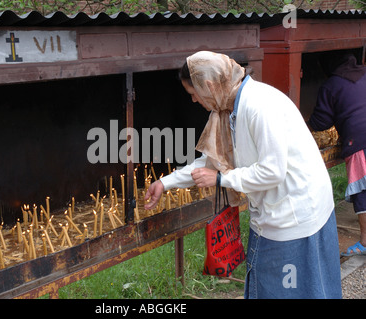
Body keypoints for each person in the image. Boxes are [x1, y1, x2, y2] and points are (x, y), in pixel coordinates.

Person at [144, 51, 342, 299]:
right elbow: (211, 161)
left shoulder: (259, 106)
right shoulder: (228, 110)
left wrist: (220, 179)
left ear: (209, 85)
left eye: (193, 94)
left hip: (295, 214)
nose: (194, 101)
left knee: (283, 291)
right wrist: (165, 182)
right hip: (281, 210)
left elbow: (273, 171)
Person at [308, 52, 366, 257]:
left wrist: (308, 122)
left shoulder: (331, 84)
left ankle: (365, 243)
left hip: (359, 141)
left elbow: (321, 122)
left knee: (362, 191)